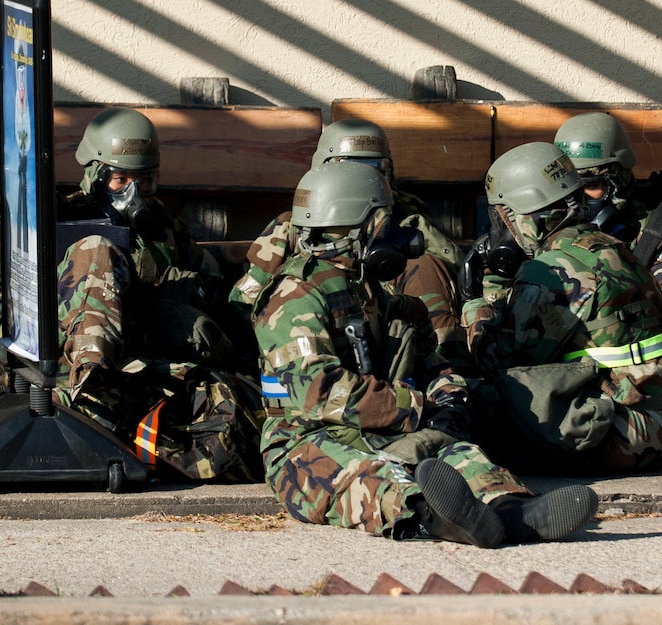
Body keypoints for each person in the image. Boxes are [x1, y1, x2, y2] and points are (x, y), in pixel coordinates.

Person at [254, 160, 597, 545]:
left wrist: (448, 399)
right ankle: (428, 515)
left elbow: (430, 361)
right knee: (365, 477)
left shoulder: (369, 292)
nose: (398, 235)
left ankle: (510, 509)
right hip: (303, 439)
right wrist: (416, 407)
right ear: (358, 228)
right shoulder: (293, 298)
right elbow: (321, 391)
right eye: (386, 223)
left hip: (379, 427)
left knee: (455, 451)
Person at [0, 107, 256, 479]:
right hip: (60, 353)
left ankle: (105, 401)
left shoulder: (165, 228)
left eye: (144, 181)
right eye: (120, 179)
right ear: (94, 173)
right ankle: (90, 390)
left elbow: (210, 288)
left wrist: (176, 289)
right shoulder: (65, 213)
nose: (133, 193)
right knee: (95, 247)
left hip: (138, 358)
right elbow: (14, 205)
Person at [460, 143, 662, 473]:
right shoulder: (611, 248)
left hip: (618, 436)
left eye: (502, 216)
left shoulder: (555, 270)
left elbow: (496, 360)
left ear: (521, 214)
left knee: (465, 397)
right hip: (657, 425)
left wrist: (473, 303)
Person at [232, 118, 464, 348]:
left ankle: (444, 354)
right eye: (350, 168)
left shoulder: (405, 210)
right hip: (322, 328)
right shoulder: (294, 225)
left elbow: (444, 268)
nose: (365, 179)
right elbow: (245, 302)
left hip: (390, 321)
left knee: (423, 267)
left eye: (376, 169)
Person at [553, 111, 662, 327]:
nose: (577, 200)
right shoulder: (551, 223)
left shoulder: (651, 231)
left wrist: (605, 323)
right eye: (568, 187)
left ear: (617, 183)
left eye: (590, 185)